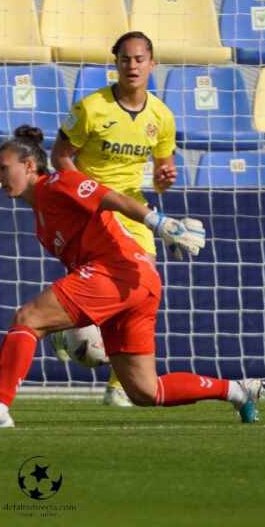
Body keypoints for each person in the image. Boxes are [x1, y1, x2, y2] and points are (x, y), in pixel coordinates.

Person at [0, 126, 263, 429]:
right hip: (134, 282)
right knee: (145, 391)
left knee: (27, 318)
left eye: (3, 168)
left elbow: (111, 197)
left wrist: (159, 223)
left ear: (28, 165)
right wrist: (63, 323)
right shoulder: (41, 218)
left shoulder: (58, 183)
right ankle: (238, 391)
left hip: (120, 269)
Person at [49, 31, 178, 407]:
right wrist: (81, 192)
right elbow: (60, 155)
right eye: (125, 59)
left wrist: (164, 178)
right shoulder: (91, 108)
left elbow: (162, 171)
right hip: (93, 207)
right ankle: (68, 326)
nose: (132, 65)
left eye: (140, 59)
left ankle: (119, 384)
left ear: (152, 64)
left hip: (133, 208)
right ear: (116, 63)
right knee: (106, 289)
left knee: (144, 285)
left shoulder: (161, 117)